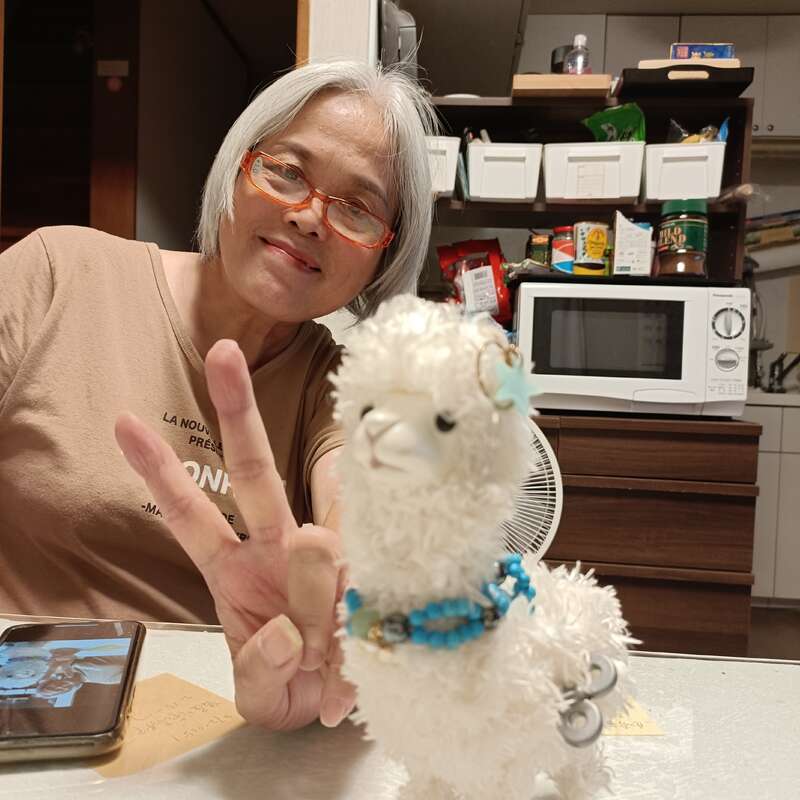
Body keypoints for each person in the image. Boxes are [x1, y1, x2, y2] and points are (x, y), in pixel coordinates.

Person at [0, 61, 436, 730]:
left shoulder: (344, 385)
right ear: (237, 167)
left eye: (357, 207)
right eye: (287, 171)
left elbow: (361, 497)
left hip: (219, 730)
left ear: (385, 253)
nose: (311, 217)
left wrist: (351, 606)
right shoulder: (57, 274)